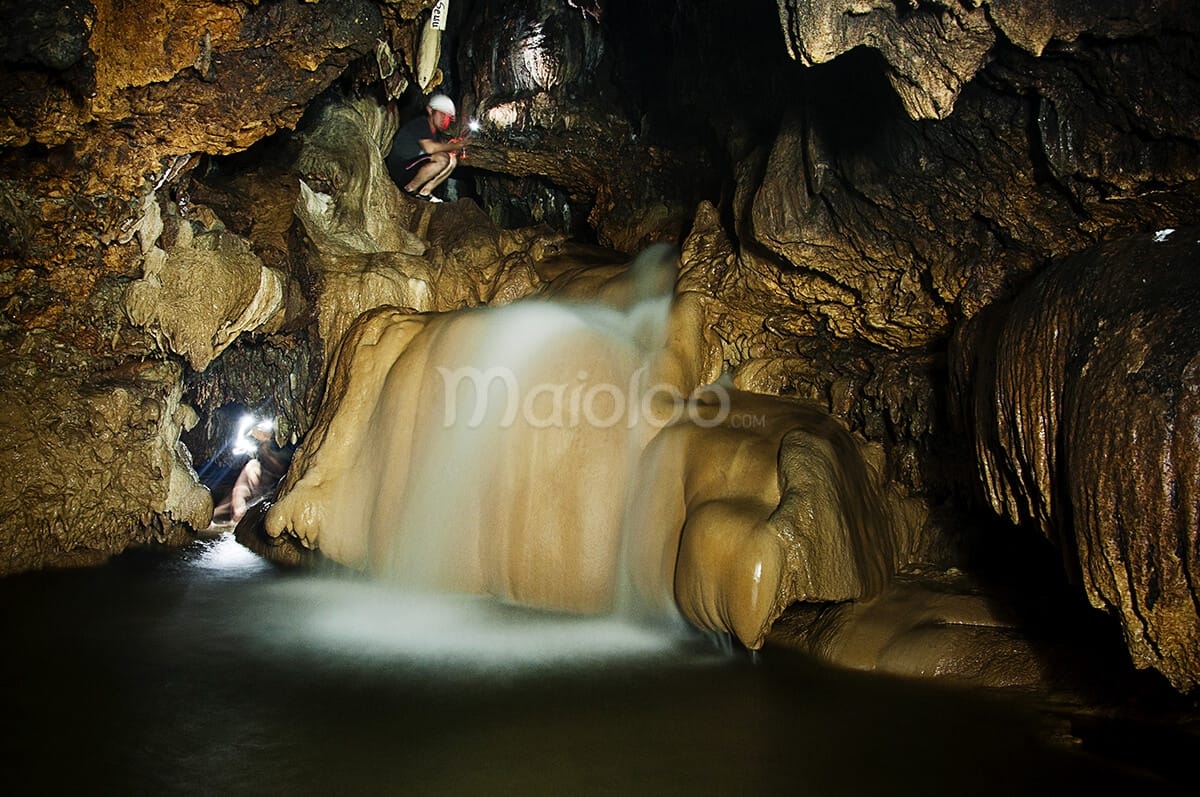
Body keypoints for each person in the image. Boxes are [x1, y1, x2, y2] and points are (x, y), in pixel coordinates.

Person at [386, 93, 469, 203]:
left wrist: (451, 148)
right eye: (442, 114)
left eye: (448, 117)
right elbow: (430, 149)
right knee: (443, 159)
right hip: (400, 169)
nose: (445, 119)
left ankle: (424, 193)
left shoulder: (433, 133)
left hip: (410, 168)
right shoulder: (421, 124)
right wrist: (455, 145)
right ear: (430, 111)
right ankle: (409, 189)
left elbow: (432, 151)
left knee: (452, 160)